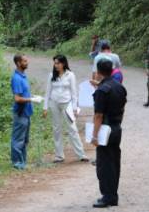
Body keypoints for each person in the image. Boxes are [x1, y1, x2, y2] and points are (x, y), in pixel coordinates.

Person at [91, 60, 127, 208]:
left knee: (104, 163)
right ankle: (113, 195)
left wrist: (94, 135)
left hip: (105, 130)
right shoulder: (120, 88)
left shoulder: (101, 90)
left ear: (98, 72)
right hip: (116, 127)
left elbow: (98, 115)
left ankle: (107, 197)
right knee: (114, 162)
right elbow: (123, 108)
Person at [43, 55, 89, 163]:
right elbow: (47, 93)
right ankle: (59, 156)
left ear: (63, 63)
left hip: (66, 104)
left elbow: (74, 93)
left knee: (72, 128)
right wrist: (45, 107)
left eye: (58, 63)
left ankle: (81, 154)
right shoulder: (51, 75)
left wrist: (74, 108)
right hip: (54, 104)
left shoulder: (70, 75)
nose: (56, 65)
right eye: (55, 63)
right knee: (56, 129)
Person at [10, 54, 37, 170]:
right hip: (20, 113)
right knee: (18, 139)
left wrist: (33, 97)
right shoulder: (16, 78)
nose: (27, 63)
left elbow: (24, 95)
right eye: (25, 61)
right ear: (18, 63)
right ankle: (17, 163)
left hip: (26, 113)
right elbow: (17, 98)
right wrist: (31, 99)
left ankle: (23, 162)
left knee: (24, 139)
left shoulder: (23, 76)